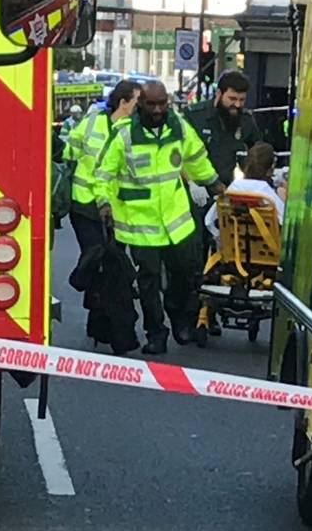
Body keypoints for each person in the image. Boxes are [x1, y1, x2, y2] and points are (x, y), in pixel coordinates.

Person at [93, 81, 225, 355]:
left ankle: (179, 319)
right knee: (149, 282)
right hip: (141, 225)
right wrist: (104, 203)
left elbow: (197, 158)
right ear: (140, 103)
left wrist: (214, 184)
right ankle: (156, 333)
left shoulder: (179, 128)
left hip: (177, 221)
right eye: (151, 104)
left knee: (184, 275)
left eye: (162, 103)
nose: (157, 110)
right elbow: (103, 174)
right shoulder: (124, 135)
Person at [63, 80, 141, 345]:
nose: (140, 107)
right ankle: (97, 308)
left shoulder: (133, 130)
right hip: (84, 205)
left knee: (109, 267)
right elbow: (70, 150)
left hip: (113, 209)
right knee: (96, 256)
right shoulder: (93, 122)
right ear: (123, 102)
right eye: (137, 101)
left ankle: (100, 323)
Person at [185, 70, 262, 334]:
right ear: (219, 94)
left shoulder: (246, 123)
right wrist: (191, 182)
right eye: (232, 99)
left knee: (224, 257)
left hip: (228, 197)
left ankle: (210, 311)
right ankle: (190, 315)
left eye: (241, 100)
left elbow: (257, 154)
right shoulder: (195, 117)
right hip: (195, 196)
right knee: (194, 257)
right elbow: (176, 153)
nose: (236, 105)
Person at [205, 142, 285, 237]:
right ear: (270, 170)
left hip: (234, 243)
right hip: (269, 244)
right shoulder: (268, 196)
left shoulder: (232, 191)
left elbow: (209, 221)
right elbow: (285, 222)